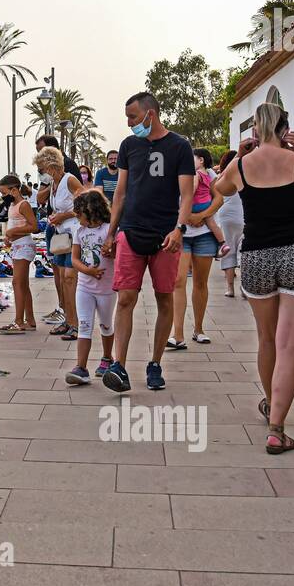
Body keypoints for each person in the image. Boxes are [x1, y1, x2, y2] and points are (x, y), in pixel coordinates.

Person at [214, 102, 294, 454]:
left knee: (266, 340)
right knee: (289, 346)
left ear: (255, 131)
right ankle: (277, 427)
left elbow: (221, 188)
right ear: (284, 128)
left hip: (257, 258)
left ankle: (269, 400)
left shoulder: (241, 166)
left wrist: (242, 155)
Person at [104, 92, 196, 393]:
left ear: (150, 114)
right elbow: (120, 193)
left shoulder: (180, 146)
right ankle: (119, 364)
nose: (130, 124)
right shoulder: (129, 146)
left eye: (133, 117)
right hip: (131, 231)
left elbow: (187, 194)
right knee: (126, 298)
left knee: (164, 298)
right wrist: (111, 232)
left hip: (165, 236)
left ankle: (155, 363)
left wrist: (179, 229)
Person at [167, 149, 227, 349]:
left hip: (204, 235)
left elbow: (219, 199)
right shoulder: (172, 173)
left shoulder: (209, 174)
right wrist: (184, 220)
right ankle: (178, 334)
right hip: (180, 234)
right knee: (178, 281)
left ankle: (199, 329)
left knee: (201, 283)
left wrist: (201, 216)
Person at [66, 191, 116, 385]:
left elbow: (117, 256)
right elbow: (74, 259)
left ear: (91, 211)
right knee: (85, 325)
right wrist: (88, 271)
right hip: (85, 287)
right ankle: (81, 367)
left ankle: (106, 357)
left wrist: (111, 252)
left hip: (106, 288)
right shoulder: (79, 231)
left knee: (106, 324)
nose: (78, 219)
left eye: (79, 214)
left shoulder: (108, 230)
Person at [36, 146, 82, 339]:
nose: (42, 172)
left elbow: (85, 204)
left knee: (70, 279)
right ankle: (69, 321)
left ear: (51, 165)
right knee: (64, 280)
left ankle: (76, 324)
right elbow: (39, 200)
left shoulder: (69, 180)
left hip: (74, 235)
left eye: (43, 168)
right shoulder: (54, 185)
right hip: (62, 236)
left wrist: (63, 215)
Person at [0, 174, 38, 334]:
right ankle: (30, 320)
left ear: (14, 190)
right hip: (17, 245)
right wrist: (10, 237)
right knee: (23, 284)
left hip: (24, 246)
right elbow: (19, 225)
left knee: (17, 283)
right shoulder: (13, 206)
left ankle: (19, 321)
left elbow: (34, 226)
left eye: (4, 192)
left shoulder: (23, 204)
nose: (2, 196)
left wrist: (13, 231)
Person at [214, 150, 245, 297]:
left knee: (229, 251)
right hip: (244, 216)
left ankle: (230, 289)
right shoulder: (246, 174)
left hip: (226, 217)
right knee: (244, 252)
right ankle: (245, 289)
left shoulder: (222, 176)